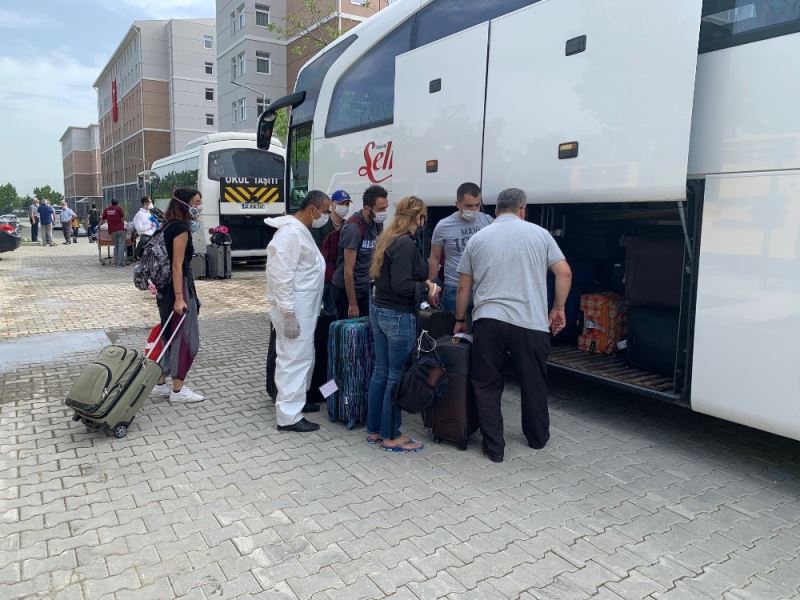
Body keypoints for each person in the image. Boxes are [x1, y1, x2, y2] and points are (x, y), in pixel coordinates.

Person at [454, 188, 571, 462]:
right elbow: (564, 272)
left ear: (496, 211)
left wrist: (460, 319)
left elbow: (463, 287)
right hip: (530, 322)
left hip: (489, 320)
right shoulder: (541, 235)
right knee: (534, 382)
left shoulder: (478, 239)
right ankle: (537, 438)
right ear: (522, 209)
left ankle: (494, 448)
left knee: (487, 384)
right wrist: (558, 308)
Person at [367, 196, 440, 452]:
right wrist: (427, 288)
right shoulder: (406, 244)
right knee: (395, 376)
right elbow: (402, 285)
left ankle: (375, 430)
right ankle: (391, 435)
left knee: (381, 372)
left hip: (379, 310)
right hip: (397, 315)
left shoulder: (388, 238)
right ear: (418, 217)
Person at [265, 190, 331, 433]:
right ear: (312, 209)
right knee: (292, 359)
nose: (326, 216)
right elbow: (280, 276)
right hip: (294, 309)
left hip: (303, 308)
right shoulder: (290, 234)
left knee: (303, 356)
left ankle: (297, 401)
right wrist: (289, 314)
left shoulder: (300, 232)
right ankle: (288, 416)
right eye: (325, 211)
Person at [150, 188, 204, 403]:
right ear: (184, 203)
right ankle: (178, 391)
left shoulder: (167, 225)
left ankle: (160, 383)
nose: (198, 207)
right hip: (178, 289)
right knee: (186, 338)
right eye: (196, 203)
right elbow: (177, 264)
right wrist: (180, 298)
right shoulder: (181, 228)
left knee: (169, 335)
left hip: (165, 290)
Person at [429, 182, 493, 314]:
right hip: (454, 287)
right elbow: (434, 259)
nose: (474, 209)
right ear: (457, 204)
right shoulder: (443, 226)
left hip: (482, 287)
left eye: (477, 205)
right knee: (454, 326)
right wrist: (433, 287)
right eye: (468, 206)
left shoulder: (488, 221)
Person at [330, 185, 389, 319]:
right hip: (346, 289)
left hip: (363, 286)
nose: (384, 212)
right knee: (348, 329)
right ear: (367, 209)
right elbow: (348, 269)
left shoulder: (376, 223)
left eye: (386, 207)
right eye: (381, 209)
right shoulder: (354, 229)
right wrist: (352, 304)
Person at [316, 190, 352, 315]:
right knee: (314, 312)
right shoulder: (321, 224)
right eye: (342, 203)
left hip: (336, 279)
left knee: (332, 312)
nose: (345, 207)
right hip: (320, 277)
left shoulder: (347, 226)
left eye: (347, 204)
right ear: (332, 205)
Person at [100, 199, 126, 266]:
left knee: (116, 246)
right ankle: (120, 263)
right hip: (120, 230)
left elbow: (102, 220)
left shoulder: (106, 210)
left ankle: (115, 262)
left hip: (112, 231)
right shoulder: (119, 209)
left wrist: (98, 226)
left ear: (111, 203)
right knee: (121, 246)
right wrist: (123, 226)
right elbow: (122, 219)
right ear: (117, 204)